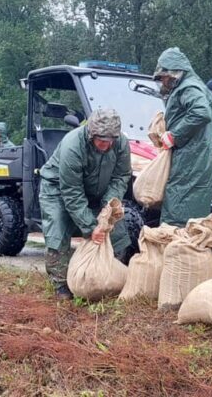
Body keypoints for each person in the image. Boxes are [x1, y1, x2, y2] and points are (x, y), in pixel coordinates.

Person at [39, 108, 131, 300]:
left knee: (117, 230)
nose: (105, 146)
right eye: (101, 141)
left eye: (109, 142)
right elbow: (72, 192)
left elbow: (121, 176)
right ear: (91, 134)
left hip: (98, 190)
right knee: (57, 229)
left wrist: (108, 208)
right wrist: (91, 227)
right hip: (58, 189)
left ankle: (107, 277)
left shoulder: (121, 143)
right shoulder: (73, 145)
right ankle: (61, 285)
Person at [153, 47, 212, 227]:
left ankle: (174, 246)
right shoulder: (191, 86)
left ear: (173, 72)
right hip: (193, 155)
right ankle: (181, 246)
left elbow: (201, 112)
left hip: (190, 158)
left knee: (178, 202)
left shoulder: (189, 87)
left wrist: (174, 135)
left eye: (163, 76)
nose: (163, 81)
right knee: (188, 206)